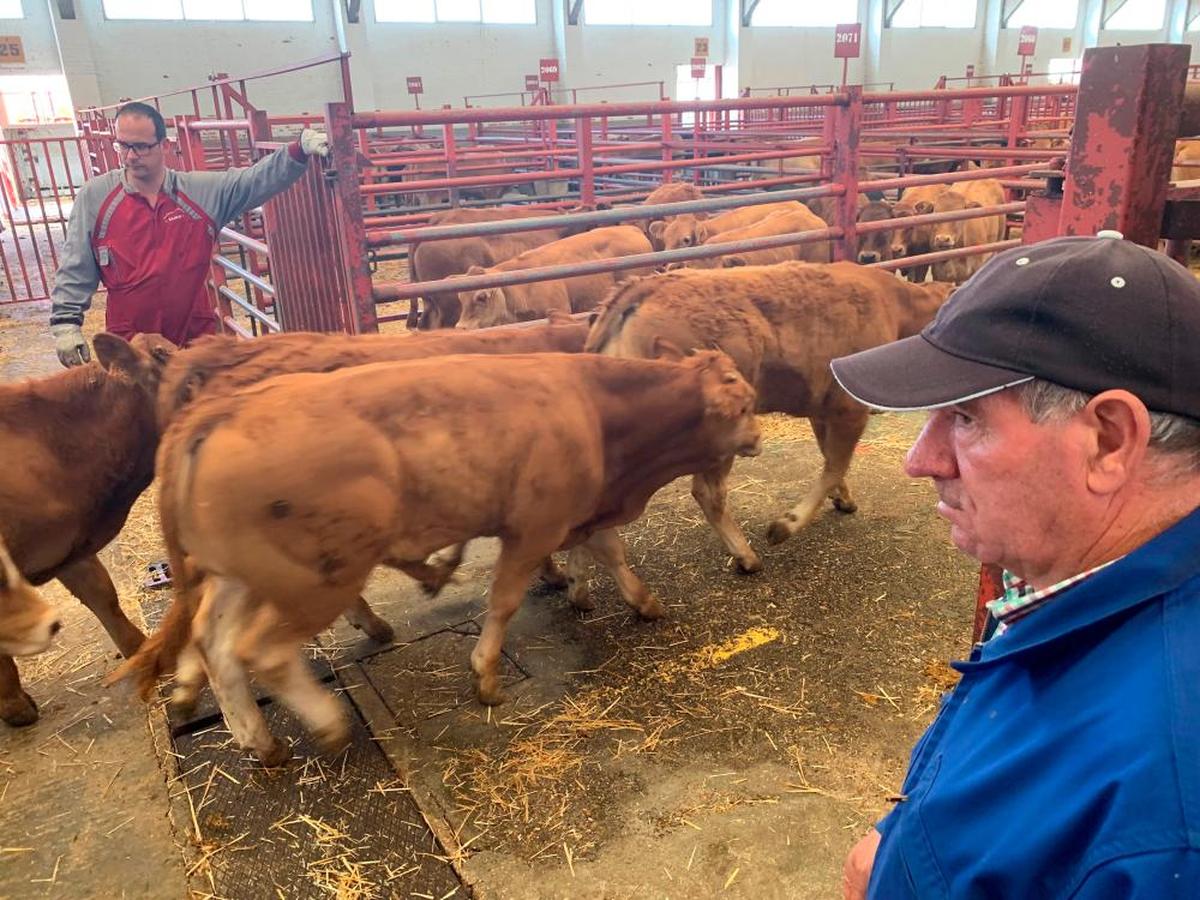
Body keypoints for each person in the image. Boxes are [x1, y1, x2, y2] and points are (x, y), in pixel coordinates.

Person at [829, 232, 1200, 898]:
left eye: (966, 417)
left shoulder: (1166, 819)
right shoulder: (1092, 590)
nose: (920, 460)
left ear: (1109, 440)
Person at [49, 101, 329, 366]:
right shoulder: (96, 197)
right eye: (124, 146)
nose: (131, 156)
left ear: (165, 146)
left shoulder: (198, 193)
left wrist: (297, 151)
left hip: (193, 337)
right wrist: (65, 324)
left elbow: (251, 181)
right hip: (131, 345)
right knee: (140, 416)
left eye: (142, 147)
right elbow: (77, 263)